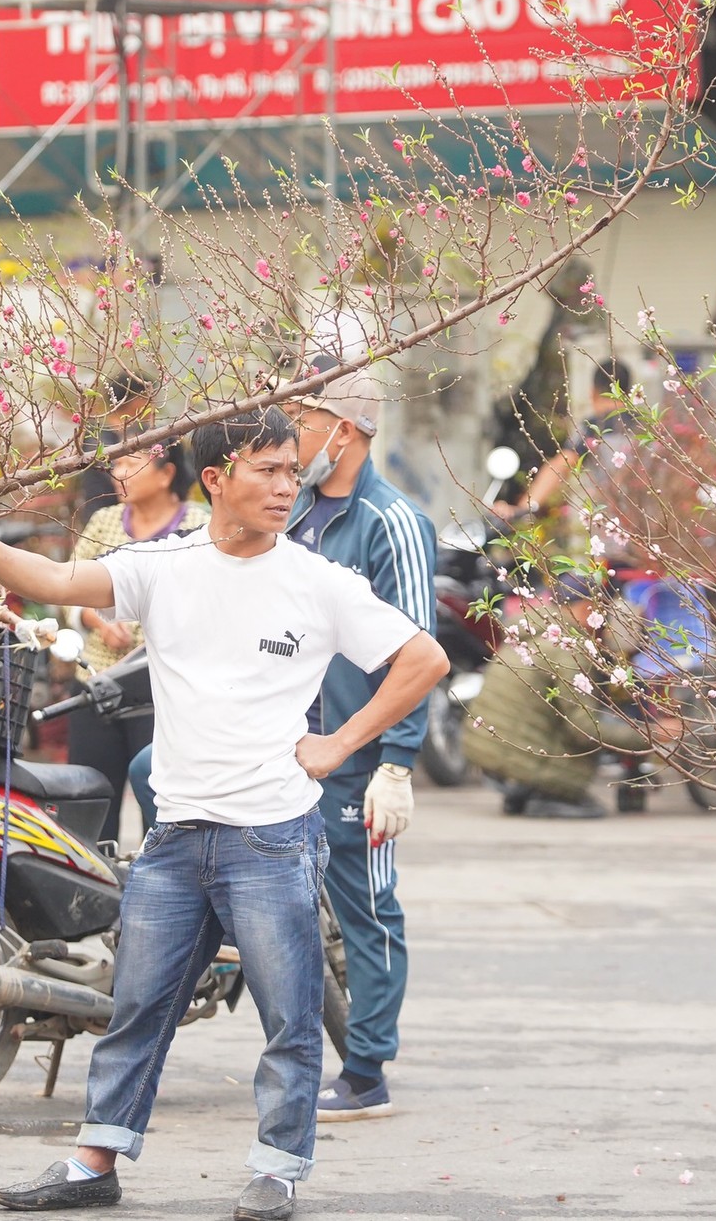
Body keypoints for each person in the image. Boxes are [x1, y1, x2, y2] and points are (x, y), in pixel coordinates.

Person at [0, 408, 448, 1221]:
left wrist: (339, 744)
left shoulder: (315, 579)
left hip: (271, 834)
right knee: (137, 1008)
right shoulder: (165, 567)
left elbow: (423, 657)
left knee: (289, 1015)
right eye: (265, 469)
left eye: (288, 468)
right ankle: (96, 1159)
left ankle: (276, 1167)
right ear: (214, 481)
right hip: (176, 832)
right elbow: (54, 582)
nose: (284, 484)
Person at [281, 355, 433, 1123]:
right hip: (289, 750)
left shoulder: (391, 523)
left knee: (367, 905)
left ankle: (368, 1067)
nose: (291, 438)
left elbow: (417, 649)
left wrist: (396, 762)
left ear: (341, 432)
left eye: (302, 423)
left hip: (357, 756)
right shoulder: (298, 514)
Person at [66, 441, 207, 843]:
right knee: (92, 798)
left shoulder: (197, 525)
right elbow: (73, 590)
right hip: (99, 679)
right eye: (116, 463)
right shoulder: (104, 521)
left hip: (160, 691)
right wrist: (99, 619)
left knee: (161, 801)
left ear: (166, 474)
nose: (119, 471)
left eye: (131, 462)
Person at [465, 573, 630, 819]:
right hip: (518, 757)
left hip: (483, 747)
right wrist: (650, 736)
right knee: (591, 807)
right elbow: (584, 729)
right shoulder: (568, 650)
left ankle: (521, 791)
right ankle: (542, 792)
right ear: (589, 608)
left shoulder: (528, 630)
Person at [506, 357, 633, 520]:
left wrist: (524, 508)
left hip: (610, 522)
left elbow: (562, 464)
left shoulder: (593, 428)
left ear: (592, 392)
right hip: (658, 525)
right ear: (629, 394)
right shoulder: (648, 427)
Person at [75, 371, 156, 527]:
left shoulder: (136, 433)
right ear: (136, 399)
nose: (153, 404)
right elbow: (119, 477)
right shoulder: (97, 436)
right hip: (104, 520)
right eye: (149, 396)